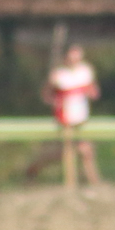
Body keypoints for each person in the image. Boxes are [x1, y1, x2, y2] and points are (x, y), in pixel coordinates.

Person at [27, 42, 103, 186]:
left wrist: (92, 93)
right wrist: (55, 102)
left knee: (83, 150)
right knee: (74, 150)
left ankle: (35, 167)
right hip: (65, 116)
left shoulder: (86, 71)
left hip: (81, 116)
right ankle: (83, 184)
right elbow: (46, 94)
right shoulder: (59, 74)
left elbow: (93, 91)